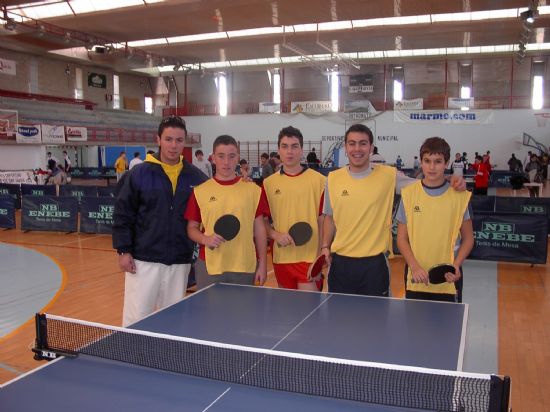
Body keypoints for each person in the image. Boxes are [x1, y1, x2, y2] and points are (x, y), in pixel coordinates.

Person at [321, 124, 466, 297]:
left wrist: (451, 179)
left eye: (363, 143)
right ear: (345, 147)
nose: (357, 149)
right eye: (352, 143)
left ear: (371, 148)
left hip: (374, 264)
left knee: (376, 321)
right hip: (340, 263)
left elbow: (424, 183)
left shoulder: (389, 175)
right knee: (339, 319)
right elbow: (329, 217)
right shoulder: (333, 178)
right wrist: (324, 246)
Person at [112, 115, 207, 327]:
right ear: (158, 140)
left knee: (173, 320)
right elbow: (123, 214)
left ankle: (166, 360)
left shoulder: (196, 177)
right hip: (143, 260)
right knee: (136, 318)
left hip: (179, 260)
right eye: (169, 139)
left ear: (185, 142)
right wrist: (123, 250)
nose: (174, 146)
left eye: (179, 140)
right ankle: (131, 358)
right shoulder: (138, 174)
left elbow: (217, 197)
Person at [185, 135, 269, 289]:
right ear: (213, 158)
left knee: (243, 313)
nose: (226, 162)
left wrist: (263, 263)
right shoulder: (200, 191)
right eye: (221, 156)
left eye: (231, 156)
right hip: (210, 267)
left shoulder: (253, 190)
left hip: (244, 266)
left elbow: (260, 229)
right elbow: (191, 228)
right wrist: (205, 239)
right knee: (209, 313)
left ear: (238, 157)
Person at [396, 137, 474, 303]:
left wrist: (457, 265)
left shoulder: (460, 196)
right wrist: (415, 267)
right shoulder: (409, 195)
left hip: (449, 278)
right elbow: (402, 239)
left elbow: (468, 238)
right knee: (414, 328)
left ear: (446, 163)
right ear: (421, 163)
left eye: (438, 161)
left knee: (449, 328)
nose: (432, 167)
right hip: (416, 278)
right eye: (427, 161)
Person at [263, 126, 326, 291]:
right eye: (284, 146)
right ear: (278, 150)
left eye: (294, 146)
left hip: (309, 259)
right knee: (287, 313)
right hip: (282, 258)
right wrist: (274, 234)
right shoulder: (268, 184)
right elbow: (262, 221)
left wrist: (319, 259)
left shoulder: (320, 181)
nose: (289, 151)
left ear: (301, 149)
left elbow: (323, 221)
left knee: (309, 312)